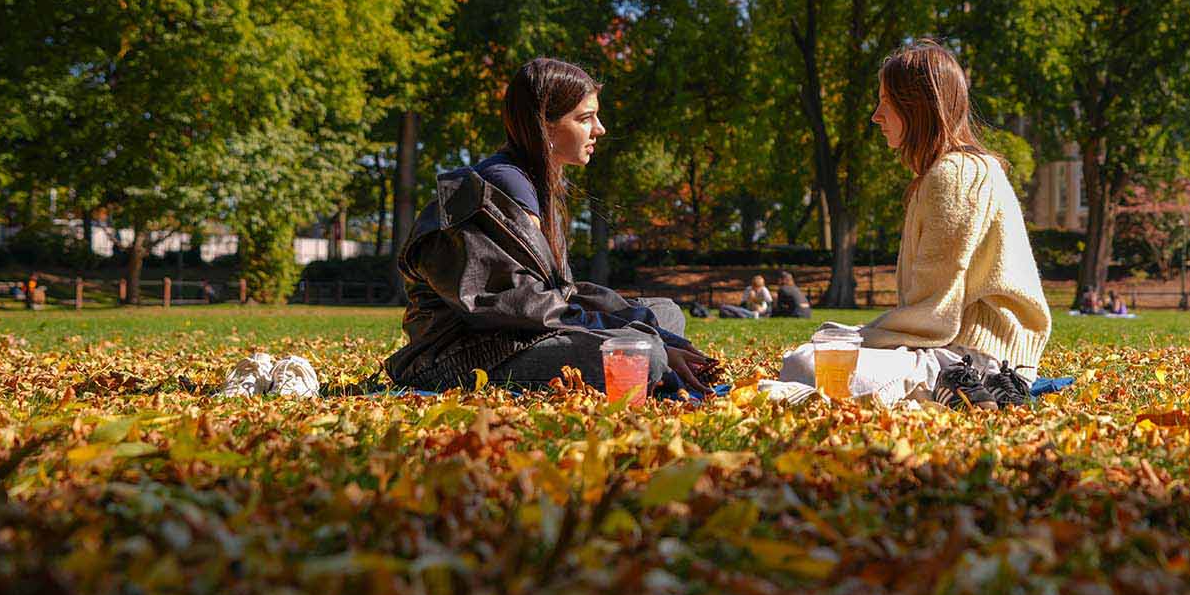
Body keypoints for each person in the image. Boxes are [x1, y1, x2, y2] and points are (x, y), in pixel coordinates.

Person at [383, 57, 719, 395]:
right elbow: (527, 306)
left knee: (665, 313)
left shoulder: (534, 183)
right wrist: (648, 339)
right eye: (585, 118)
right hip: (464, 354)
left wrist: (651, 328)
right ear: (544, 125)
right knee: (647, 354)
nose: (599, 129)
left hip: (523, 332)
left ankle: (656, 358)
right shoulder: (503, 187)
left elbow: (562, 297)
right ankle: (659, 368)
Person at [777, 40, 1050, 407]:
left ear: (916, 107)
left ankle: (960, 391)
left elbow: (935, 316)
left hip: (972, 361)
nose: (876, 116)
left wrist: (862, 337)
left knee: (805, 364)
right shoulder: (952, 171)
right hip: (964, 349)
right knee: (826, 343)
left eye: (885, 103)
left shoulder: (954, 174)